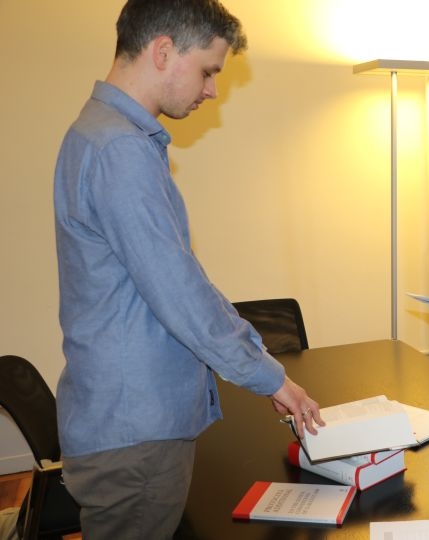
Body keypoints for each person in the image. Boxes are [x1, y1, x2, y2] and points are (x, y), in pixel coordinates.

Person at [53, 1, 324, 538]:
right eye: (208, 71)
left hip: (126, 423)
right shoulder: (119, 150)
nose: (211, 91)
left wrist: (259, 363)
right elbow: (180, 295)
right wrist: (270, 375)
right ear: (162, 51)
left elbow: (183, 276)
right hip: (137, 435)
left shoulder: (103, 137)